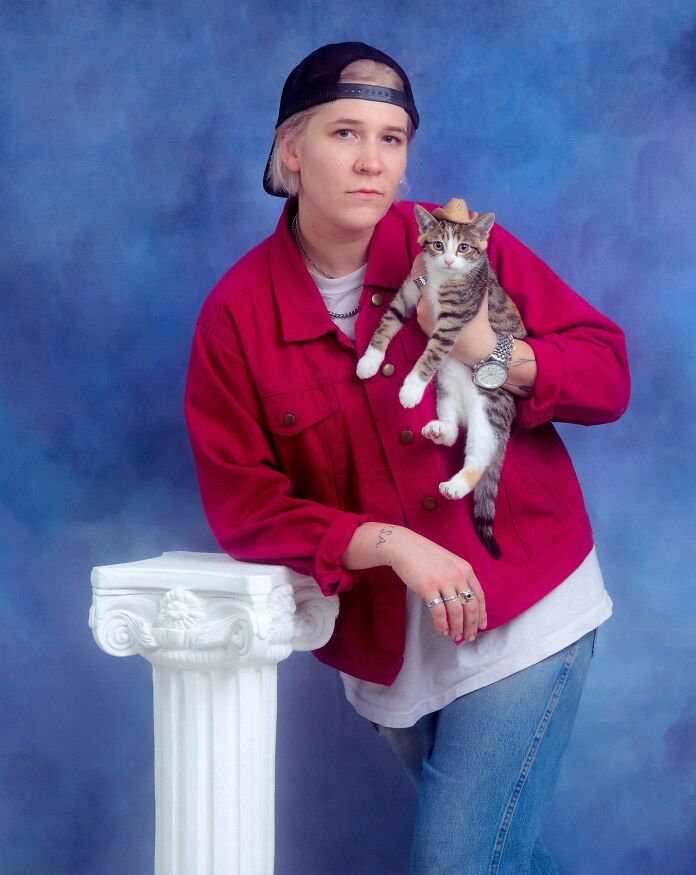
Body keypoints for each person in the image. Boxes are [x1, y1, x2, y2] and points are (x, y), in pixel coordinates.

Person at [184, 41, 630, 874]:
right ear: (291, 151)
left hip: (528, 602)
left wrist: (492, 350)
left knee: (459, 861)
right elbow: (247, 506)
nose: (371, 161)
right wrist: (389, 542)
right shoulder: (236, 317)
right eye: (344, 133)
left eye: (391, 139)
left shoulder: (458, 247)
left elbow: (608, 374)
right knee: (505, 855)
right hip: (390, 651)